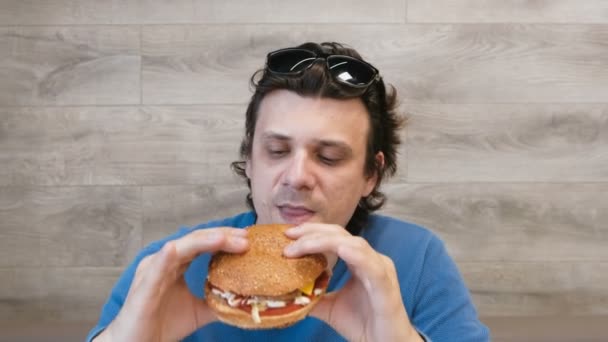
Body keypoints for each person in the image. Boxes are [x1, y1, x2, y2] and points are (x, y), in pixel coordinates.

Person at [87, 42, 490, 342]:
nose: (297, 176)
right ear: (249, 160)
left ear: (372, 173)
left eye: (329, 157)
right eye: (277, 151)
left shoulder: (415, 259)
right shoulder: (168, 269)